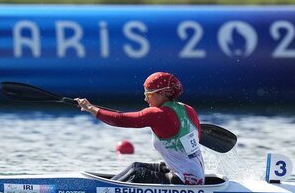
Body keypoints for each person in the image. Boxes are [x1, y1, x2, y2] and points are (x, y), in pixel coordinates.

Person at [75, 72, 205, 185]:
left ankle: (103, 190)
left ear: (162, 94)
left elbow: (119, 120)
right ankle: (108, 185)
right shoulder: (188, 110)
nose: (145, 98)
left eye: (148, 94)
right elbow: (197, 138)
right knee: (135, 166)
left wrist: (90, 108)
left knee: (136, 173)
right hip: (196, 176)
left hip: (184, 180)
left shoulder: (158, 114)